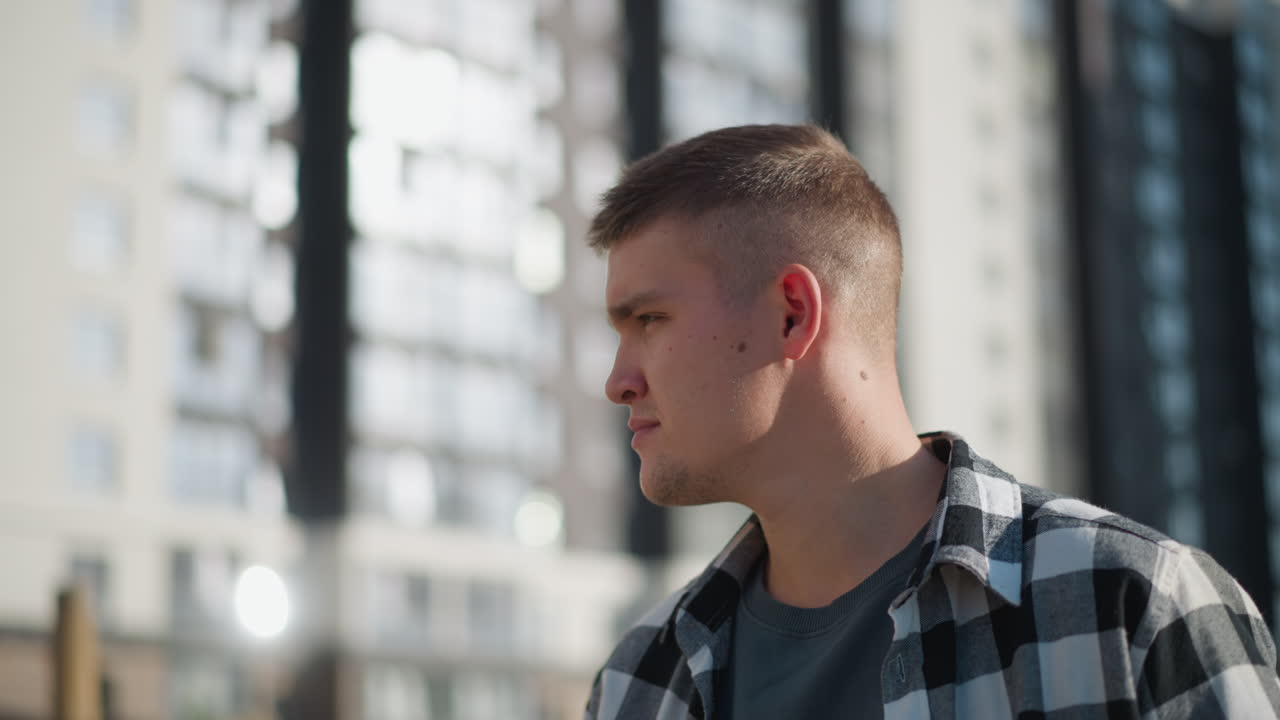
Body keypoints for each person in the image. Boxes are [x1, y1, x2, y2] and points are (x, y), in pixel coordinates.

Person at [582, 124, 1280, 719]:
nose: (618, 382)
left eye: (648, 320)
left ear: (792, 312)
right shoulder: (640, 683)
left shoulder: (1133, 610)